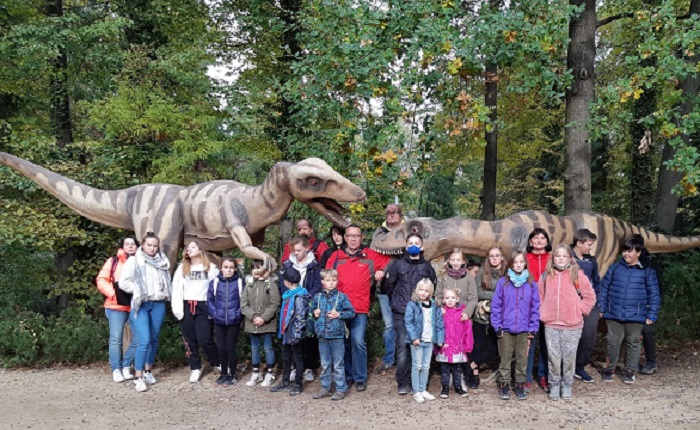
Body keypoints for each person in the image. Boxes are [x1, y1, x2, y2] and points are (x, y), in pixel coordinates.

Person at [325, 225, 390, 392]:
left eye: (356, 236)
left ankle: (360, 377)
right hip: (339, 308)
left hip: (359, 307)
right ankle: (348, 376)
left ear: (361, 238)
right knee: (344, 343)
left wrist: (381, 271)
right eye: (350, 236)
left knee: (358, 341)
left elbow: (388, 262)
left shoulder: (370, 255)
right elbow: (326, 277)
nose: (353, 239)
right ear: (345, 238)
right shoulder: (336, 256)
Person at [598, 236, 660, 384]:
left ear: (638, 252)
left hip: (636, 315)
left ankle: (630, 371)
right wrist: (602, 307)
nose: (626, 254)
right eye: (624, 251)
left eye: (630, 251)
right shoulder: (614, 268)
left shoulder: (647, 271)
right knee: (612, 342)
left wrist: (652, 314)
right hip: (613, 313)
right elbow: (604, 288)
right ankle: (610, 369)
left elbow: (654, 294)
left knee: (633, 343)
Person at [539, 245, 596, 400]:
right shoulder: (546, 276)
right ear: (553, 258)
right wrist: (542, 312)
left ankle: (567, 384)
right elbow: (539, 297)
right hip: (551, 324)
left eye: (564, 256)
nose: (561, 259)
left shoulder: (577, 275)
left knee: (569, 357)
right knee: (553, 357)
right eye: (558, 256)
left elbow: (590, 297)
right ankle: (554, 384)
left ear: (570, 258)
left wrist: (580, 310)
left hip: (572, 325)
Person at [384, 233, 437, 396]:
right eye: (410, 243)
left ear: (421, 247)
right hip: (401, 311)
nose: (413, 245)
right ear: (406, 246)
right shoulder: (397, 265)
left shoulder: (427, 267)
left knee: (418, 346)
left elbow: (432, 286)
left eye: (417, 243)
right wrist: (399, 301)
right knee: (402, 348)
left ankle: (417, 382)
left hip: (420, 312)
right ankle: (402, 381)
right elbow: (389, 285)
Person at [118, 232, 171, 392]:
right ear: (142, 245)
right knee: (144, 339)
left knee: (154, 339)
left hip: (158, 302)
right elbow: (123, 283)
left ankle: (148, 371)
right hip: (141, 303)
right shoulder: (134, 260)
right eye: (149, 245)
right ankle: (138, 376)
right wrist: (137, 289)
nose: (152, 248)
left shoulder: (163, 262)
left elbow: (167, 281)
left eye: (155, 246)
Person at [490, 251, 540, 401]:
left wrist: (533, 327)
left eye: (521, 262)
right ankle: (504, 383)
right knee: (505, 357)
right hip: (505, 328)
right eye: (515, 262)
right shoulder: (503, 282)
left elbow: (535, 307)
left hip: (524, 328)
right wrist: (497, 325)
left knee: (522, 359)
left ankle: (520, 383)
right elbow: (496, 305)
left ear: (525, 264)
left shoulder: (531, 283)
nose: (518, 265)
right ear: (510, 264)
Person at [171, 241, 220, 383]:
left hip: (203, 305)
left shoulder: (210, 268)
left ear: (201, 249)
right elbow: (176, 288)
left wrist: (215, 308)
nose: (189, 249)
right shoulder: (182, 268)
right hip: (187, 305)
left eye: (193, 247)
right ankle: (195, 367)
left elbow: (216, 289)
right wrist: (177, 309)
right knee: (189, 339)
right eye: (187, 248)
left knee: (205, 339)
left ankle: (218, 361)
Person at [278, 236, 322, 382]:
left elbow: (317, 284)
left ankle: (309, 367)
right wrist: (290, 296)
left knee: (309, 336)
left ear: (307, 248)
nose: (296, 253)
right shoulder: (287, 264)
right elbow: (282, 283)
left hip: (308, 303)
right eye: (294, 250)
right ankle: (294, 368)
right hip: (291, 303)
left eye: (299, 250)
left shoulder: (315, 265)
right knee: (292, 336)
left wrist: (306, 297)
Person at [96, 237, 139, 383]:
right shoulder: (113, 261)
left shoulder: (141, 261)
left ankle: (126, 365)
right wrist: (113, 294)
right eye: (127, 244)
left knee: (140, 337)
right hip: (116, 306)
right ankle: (116, 369)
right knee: (116, 339)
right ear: (122, 246)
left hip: (135, 305)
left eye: (133, 244)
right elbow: (101, 279)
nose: (130, 246)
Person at [309, 269, 356, 401]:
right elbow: (311, 311)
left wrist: (339, 314)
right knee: (325, 363)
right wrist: (314, 313)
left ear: (337, 281)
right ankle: (325, 388)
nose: (331, 283)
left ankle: (341, 389)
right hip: (322, 336)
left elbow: (351, 312)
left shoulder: (342, 297)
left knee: (338, 364)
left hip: (337, 335)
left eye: (333, 280)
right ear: (323, 282)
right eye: (328, 280)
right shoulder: (318, 297)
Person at [468, 246, 506, 389]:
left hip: (499, 315)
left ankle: (472, 363)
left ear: (502, 257)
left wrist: (492, 296)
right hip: (481, 313)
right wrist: (496, 295)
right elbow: (477, 292)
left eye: (497, 255)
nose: (494, 258)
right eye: (492, 256)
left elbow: (508, 293)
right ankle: (474, 373)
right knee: (477, 345)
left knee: (494, 347)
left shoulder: (507, 273)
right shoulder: (482, 272)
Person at [374, 203, 404, 374]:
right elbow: (374, 254)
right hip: (384, 287)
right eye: (389, 212)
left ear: (400, 215)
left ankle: (403, 358)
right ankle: (389, 359)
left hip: (403, 287)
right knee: (389, 325)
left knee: (404, 323)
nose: (392, 215)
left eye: (395, 212)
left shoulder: (407, 230)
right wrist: (380, 270)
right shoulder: (379, 233)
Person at [270, 267, 310, 396]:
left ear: (287, 282)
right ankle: (285, 381)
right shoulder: (288, 295)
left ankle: (298, 384)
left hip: (295, 333)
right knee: (286, 358)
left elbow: (300, 317)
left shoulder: (299, 296)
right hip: (286, 331)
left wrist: (297, 334)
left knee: (297, 359)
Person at [241, 260, 281, 388]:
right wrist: (253, 316)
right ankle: (256, 373)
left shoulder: (271, 284)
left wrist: (263, 318)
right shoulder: (249, 284)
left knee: (268, 347)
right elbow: (243, 303)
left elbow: (275, 303)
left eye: (258, 268)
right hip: (252, 322)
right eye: (253, 268)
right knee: (254, 348)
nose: (256, 271)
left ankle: (270, 372)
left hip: (267, 322)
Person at [405, 279, 445, 404]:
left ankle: (423, 389)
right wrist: (413, 337)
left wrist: (439, 339)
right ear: (417, 290)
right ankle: (416, 391)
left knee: (426, 366)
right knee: (417, 365)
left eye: (426, 291)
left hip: (429, 340)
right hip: (418, 340)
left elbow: (439, 323)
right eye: (421, 290)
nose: (423, 293)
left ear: (431, 292)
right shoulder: (413, 304)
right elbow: (408, 322)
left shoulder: (434, 305)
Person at [571, 229, 602, 383]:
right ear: (579, 242)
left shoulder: (592, 261)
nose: (591, 248)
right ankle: (565, 369)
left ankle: (579, 367)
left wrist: (597, 303)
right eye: (589, 244)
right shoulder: (566, 256)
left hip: (589, 304)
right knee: (569, 337)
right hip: (570, 304)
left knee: (588, 338)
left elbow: (596, 282)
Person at [207, 257, 243, 387]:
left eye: (231, 267)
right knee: (221, 348)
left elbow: (244, 301)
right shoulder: (215, 282)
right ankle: (223, 373)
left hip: (234, 321)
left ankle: (232, 374)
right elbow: (210, 300)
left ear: (235, 268)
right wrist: (215, 315)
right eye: (226, 267)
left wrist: (238, 315)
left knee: (230, 348)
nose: (229, 270)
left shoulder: (239, 282)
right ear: (221, 268)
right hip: (219, 321)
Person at [525, 228, 552, 392]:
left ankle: (544, 375)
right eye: (536, 238)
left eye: (543, 238)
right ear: (530, 241)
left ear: (547, 241)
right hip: (529, 307)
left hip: (548, 306)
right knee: (528, 342)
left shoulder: (552, 259)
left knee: (546, 342)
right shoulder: (525, 258)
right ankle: (526, 377)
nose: (539, 241)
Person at [435, 288, 473, 399]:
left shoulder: (462, 314)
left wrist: (467, 345)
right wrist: (438, 343)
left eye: (452, 298)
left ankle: (458, 387)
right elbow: (435, 328)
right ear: (443, 300)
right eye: (447, 298)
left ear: (457, 299)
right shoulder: (441, 313)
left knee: (457, 369)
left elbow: (468, 330)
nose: (450, 300)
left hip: (457, 347)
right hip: (445, 347)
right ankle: (445, 387)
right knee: (445, 369)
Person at [633, 234, 663, 375]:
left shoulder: (650, 263)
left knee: (647, 332)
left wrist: (653, 307)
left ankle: (651, 362)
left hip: (646, 305)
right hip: (631, 305)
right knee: (630, 333)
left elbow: (657, 288)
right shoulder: (625, 262)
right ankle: (632, 362)